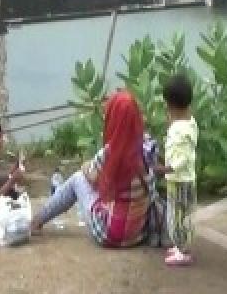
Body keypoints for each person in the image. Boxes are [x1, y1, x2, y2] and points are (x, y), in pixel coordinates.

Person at [30, 91, 160, 248]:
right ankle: (38, 220)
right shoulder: (148, 147)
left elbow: (91, 177)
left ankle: (36, 221)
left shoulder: (110, 153)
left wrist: (85, 166)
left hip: (109, 234)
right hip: (138, 234)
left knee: (78, 179)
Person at [160, 75, 198, 267]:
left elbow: (182, 158)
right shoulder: (190, 123)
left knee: (177, 216)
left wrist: (165, 168)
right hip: (186, 179)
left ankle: (182, 252)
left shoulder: (179, 130)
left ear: (170, 105)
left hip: (179, 180)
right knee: (183, 215)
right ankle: (181, 247)